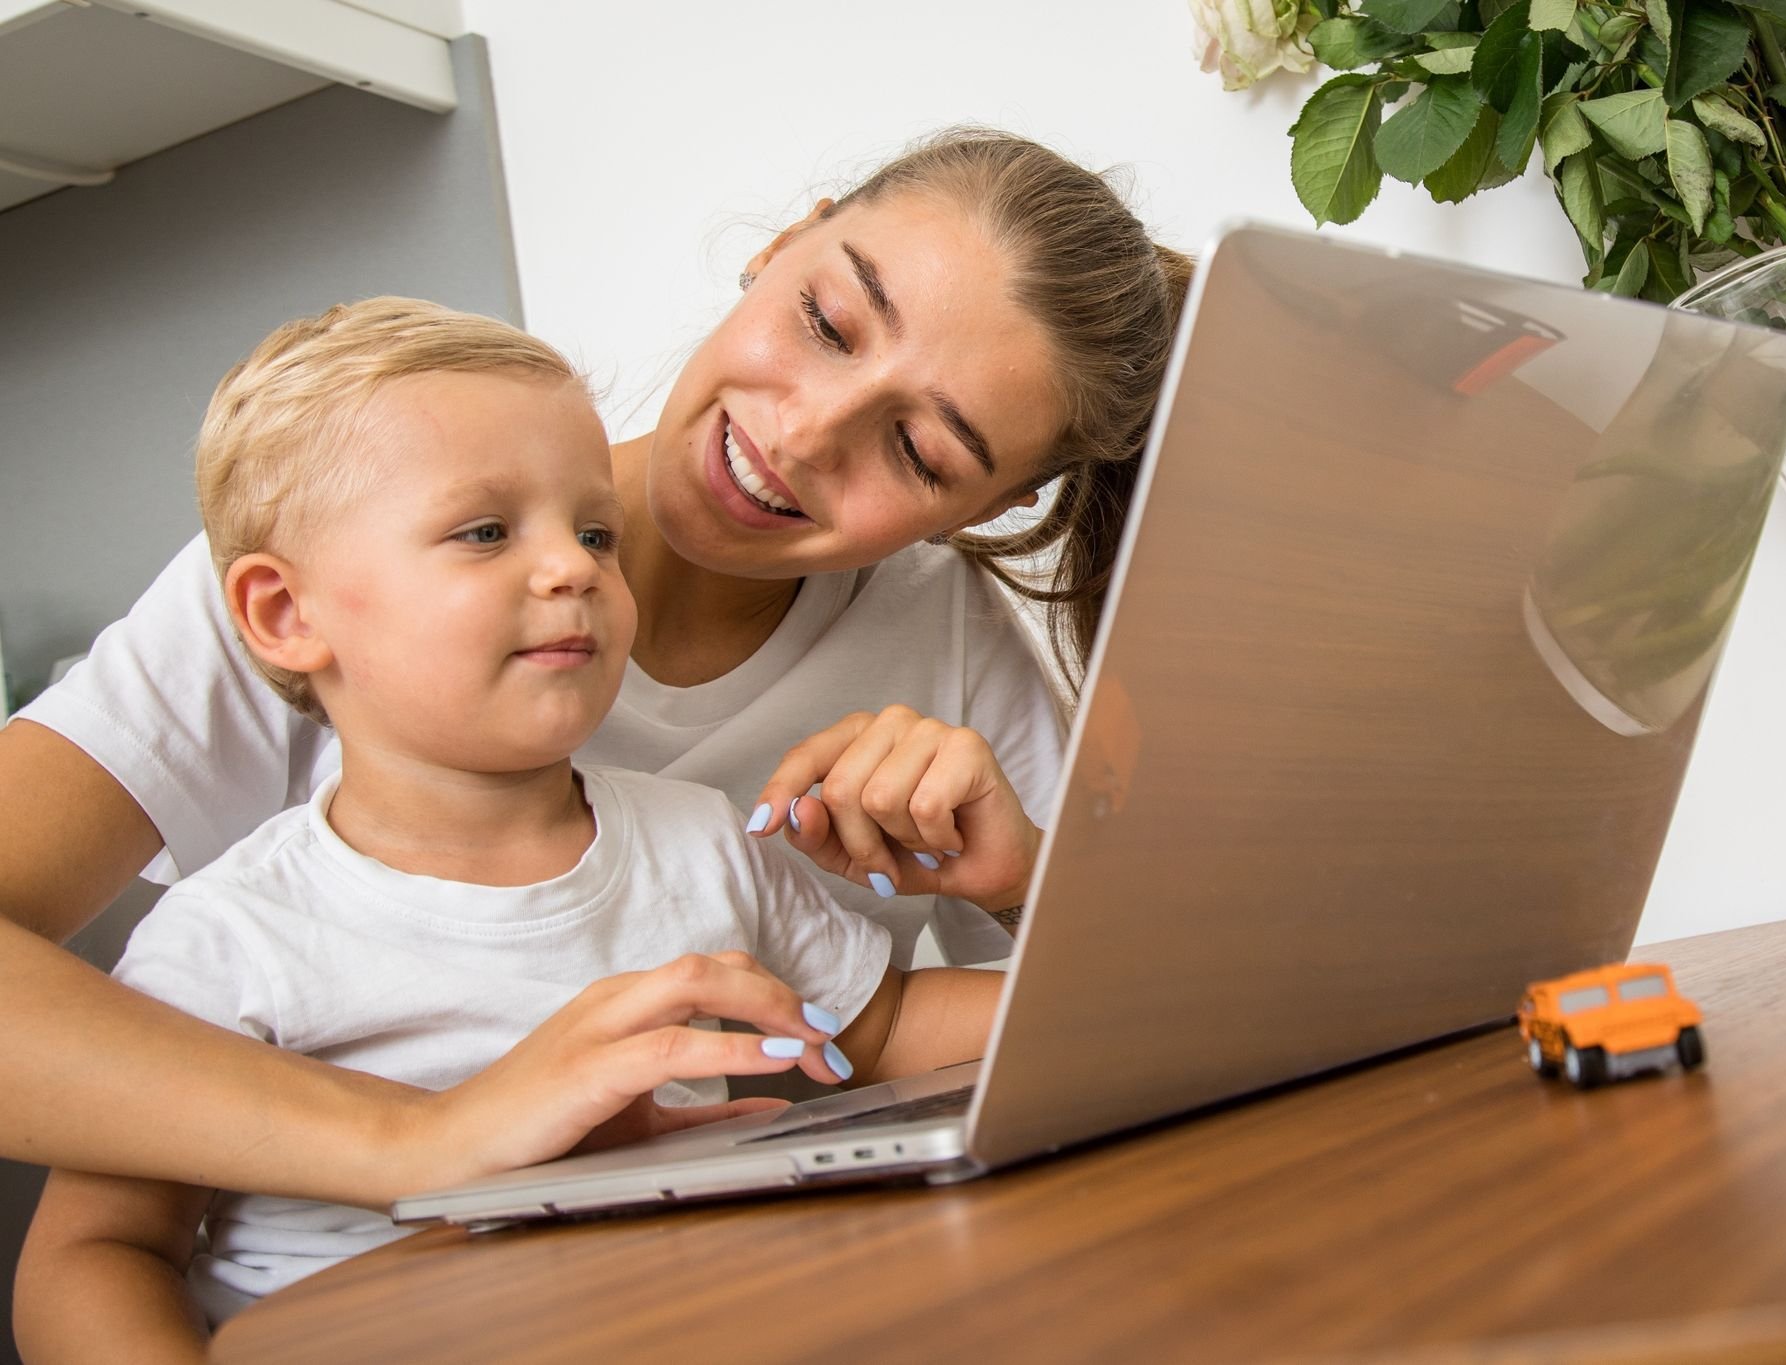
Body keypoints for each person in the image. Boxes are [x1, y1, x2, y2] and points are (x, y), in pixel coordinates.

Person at [0, 128, 1192, 1212]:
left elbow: (1135, 1025)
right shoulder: (338, 557)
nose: (801, 431)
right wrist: (426, 1143)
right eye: (827, 323)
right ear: (780, 248)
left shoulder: (940, 643)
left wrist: (1022, 883)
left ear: (985, 507)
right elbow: (101, 1254)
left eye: (921, 451)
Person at [14, 299, 1010, 1359]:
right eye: (485, 531)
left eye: (595, 534)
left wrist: (1158, 994)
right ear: (283, 616)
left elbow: (886, 1024)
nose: (573, 568)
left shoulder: (701, 842)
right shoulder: (227, 938)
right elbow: (96, 1256)